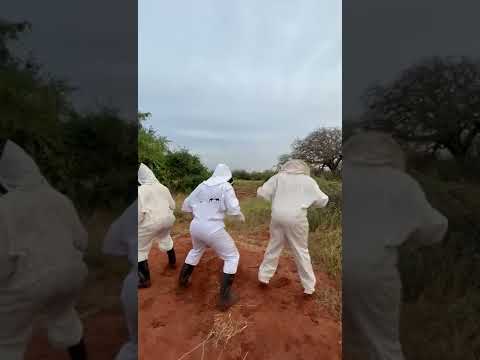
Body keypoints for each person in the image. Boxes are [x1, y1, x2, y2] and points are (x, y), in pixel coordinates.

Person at [342, 131, 448, 359]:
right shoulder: (401, 182)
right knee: (382, 345)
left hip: (335, 264)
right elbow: (433, 229)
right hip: (373, 272)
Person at [0, 139, 88, 360]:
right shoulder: (60, 199)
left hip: (29, 285)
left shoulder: (5, 207)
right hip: (72, 276)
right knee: (67, 320)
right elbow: (81, 241)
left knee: (6, 341)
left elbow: (2, 263)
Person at [256, 159, 329, 296]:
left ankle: (264, 277)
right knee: (301, 250)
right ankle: (309, 287)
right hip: (296, 218)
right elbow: (322, 200)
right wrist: (309, 202)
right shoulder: (308, 180)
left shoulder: (278, 177)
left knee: (274, 246)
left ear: (286, 167)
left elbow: (262, 193)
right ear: (302, 168)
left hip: (277, 216)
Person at [179, 163, 245, 311]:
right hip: (213, 228)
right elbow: (234, 210)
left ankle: (183, 280)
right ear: (228, 176)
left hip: (195, 226)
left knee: (196, 250)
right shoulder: (226, 186)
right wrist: (240, 216)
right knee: (232, 257)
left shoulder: (202, 185)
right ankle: (225, 298)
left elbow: (185, 205)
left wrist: (201, 213)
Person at [102, 200, 138, 360]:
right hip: (159, 283)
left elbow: (109, 245)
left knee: (136, 344)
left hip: (134, 282)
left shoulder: (134, 207)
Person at [137, 163, 176, 288]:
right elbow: (173, 206)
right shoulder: (163, 187)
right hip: (168, 220)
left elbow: (139, 215)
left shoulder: (140, 190)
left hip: (152, 223)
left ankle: (144, 280)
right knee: (166, 238)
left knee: (139, 249)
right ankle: (172, 262)